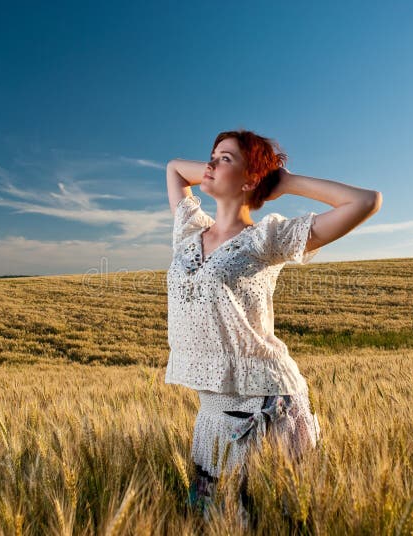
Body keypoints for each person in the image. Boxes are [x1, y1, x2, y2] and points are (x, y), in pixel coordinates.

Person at [165, 129, 382, 526]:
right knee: (209, 523)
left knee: (273, 523)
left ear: (250, 180)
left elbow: (365, 201)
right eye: (210, 156)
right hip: (212, 411)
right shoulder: (189, 230)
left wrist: (281, 181)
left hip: (266, 406)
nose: (209, 164)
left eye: (224, 158)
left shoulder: (267, 237)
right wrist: (225, 166)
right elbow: (175, 169)